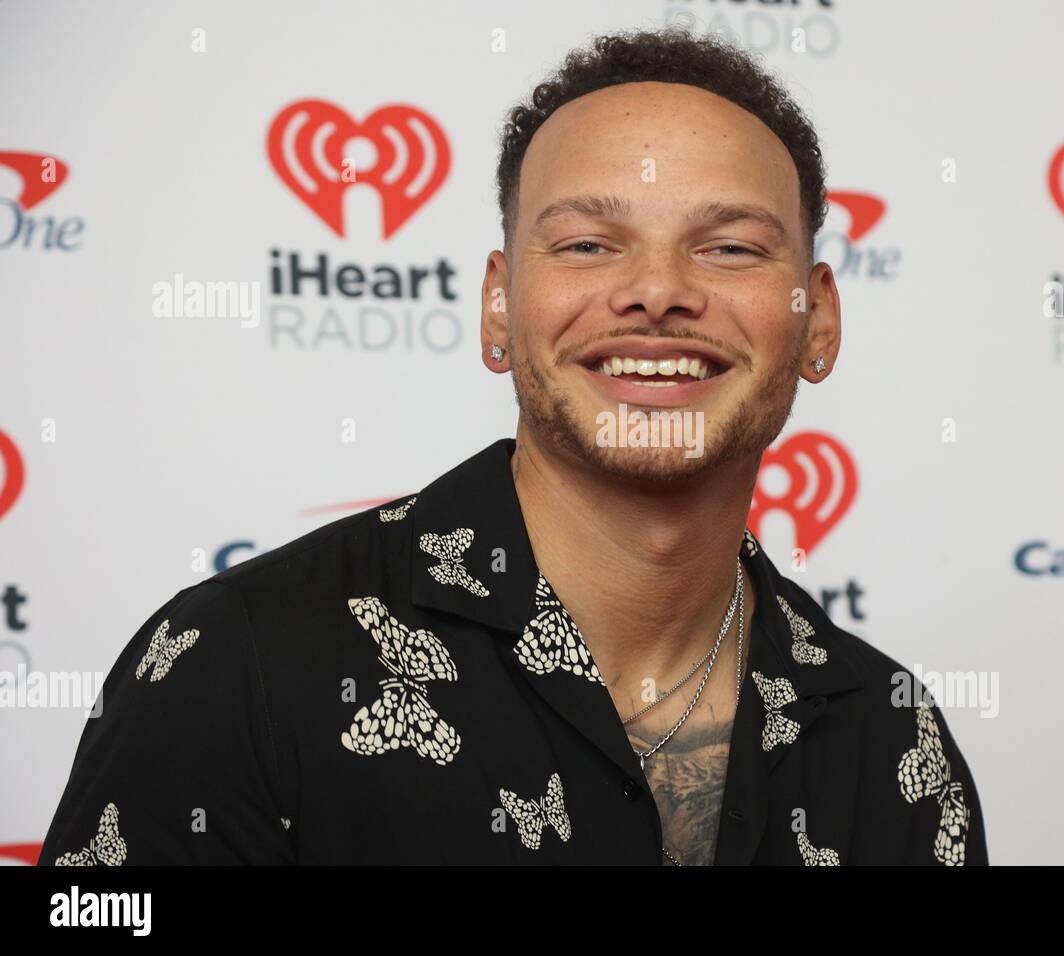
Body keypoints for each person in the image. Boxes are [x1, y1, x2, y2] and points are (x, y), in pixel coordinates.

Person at [39, 26, 988, 866]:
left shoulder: (896, 743)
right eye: (587, 245)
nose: (656, 292)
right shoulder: (235, 667)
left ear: (817, 319)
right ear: (498, 307)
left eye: (730, 248)